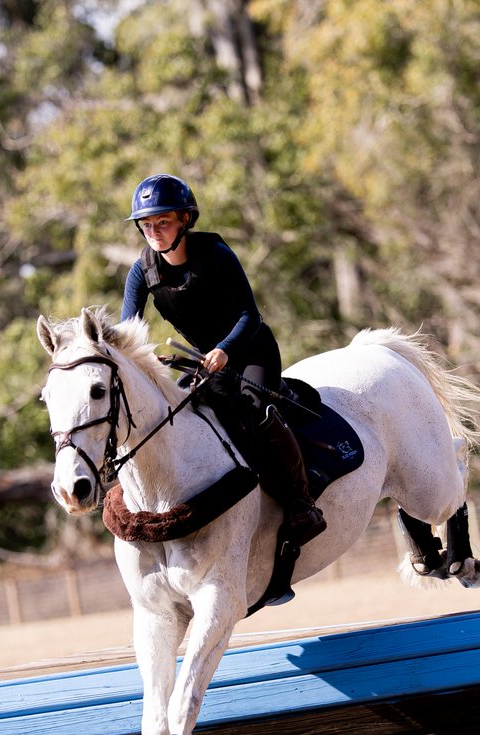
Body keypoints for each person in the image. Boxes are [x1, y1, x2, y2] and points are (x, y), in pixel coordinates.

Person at [118, 173, 326, 547]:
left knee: (254, 409)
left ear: (186, 220)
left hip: (251, 351)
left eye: (163, 222)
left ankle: (302, 504)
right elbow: (127, 332)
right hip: (203, 361)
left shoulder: (215, 255)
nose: (154, 232)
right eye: (146, 225)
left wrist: (224, 350)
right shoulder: (141, 271)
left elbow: (251, 316)